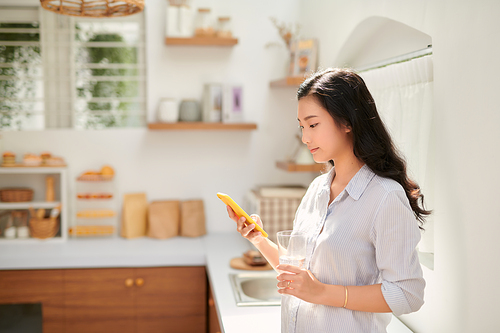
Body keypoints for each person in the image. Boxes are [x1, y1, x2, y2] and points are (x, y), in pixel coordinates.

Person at [225, 68, 430, 333]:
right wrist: (258, 239)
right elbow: (298, 274)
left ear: (347, 122)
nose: (305, 138)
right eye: (302, 127)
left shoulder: (385, 197)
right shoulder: (317, 189)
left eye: (313, 124)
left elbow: (408, 294)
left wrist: (322, 293)